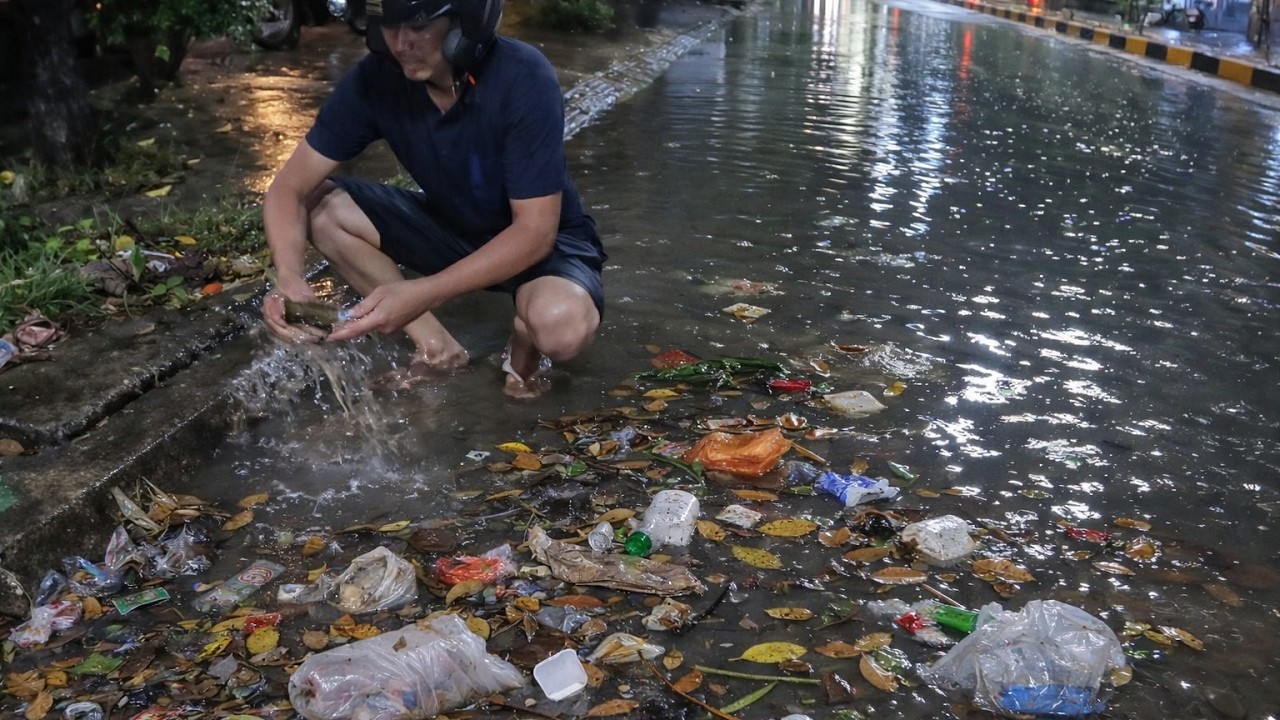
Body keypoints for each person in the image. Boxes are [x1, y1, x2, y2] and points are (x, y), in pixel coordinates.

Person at [260, 0, 606, 398]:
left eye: (419, 25)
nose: (402, 43)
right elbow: (289, 187)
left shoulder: (523, 76)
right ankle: (437, 348)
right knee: (323, 207)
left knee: (561, 329)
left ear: (466, 20)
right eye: (390, 27)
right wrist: (288, 275)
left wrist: (423, 292)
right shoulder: (374, 81)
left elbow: (535, 232)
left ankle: (524, 331)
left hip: (542, 245)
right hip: (451, 227)